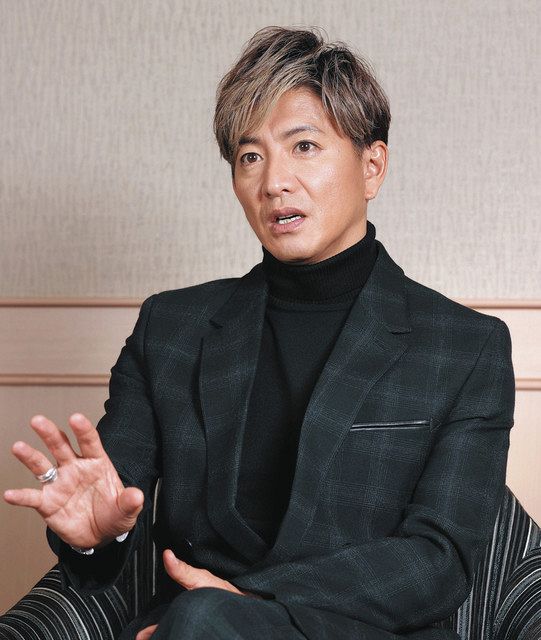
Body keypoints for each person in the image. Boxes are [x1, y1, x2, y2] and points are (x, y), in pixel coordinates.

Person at [3, 25, 515, 640]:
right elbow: (113, 499)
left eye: (304, 146)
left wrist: (249, 600)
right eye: (251, 157)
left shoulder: (464, 346)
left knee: (200, 616)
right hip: (192, 629)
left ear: (372, 166)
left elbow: (440, 560)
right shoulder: (172, 329)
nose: (273, 182)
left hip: (348, 631)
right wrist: (97, 535)